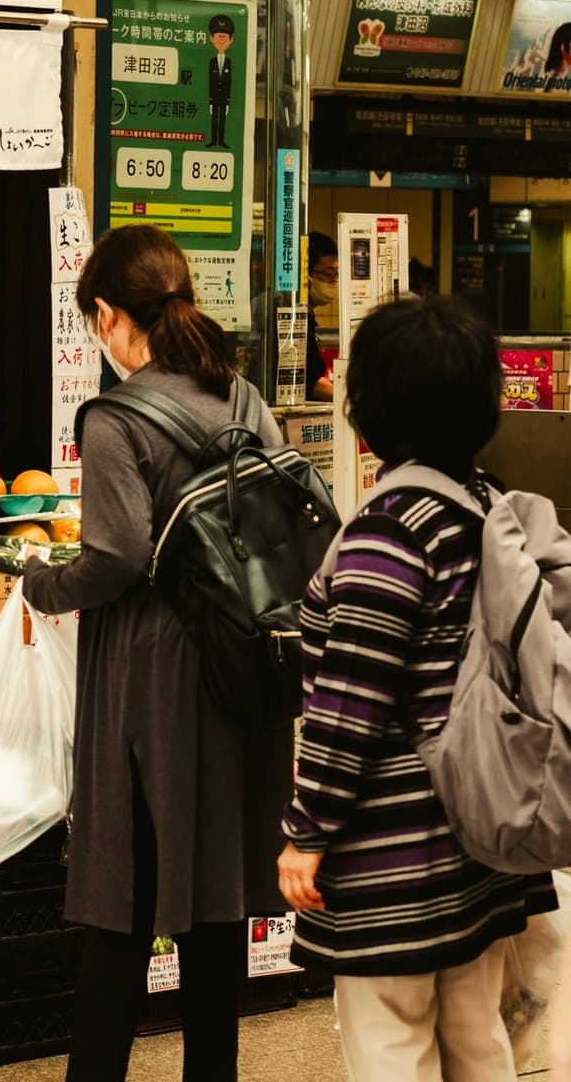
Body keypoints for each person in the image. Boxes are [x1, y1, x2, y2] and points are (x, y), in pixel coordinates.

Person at [23, 224, 293, 1082]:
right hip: (238, 668)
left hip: (146, 679)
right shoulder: (245, 398)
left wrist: (41, 584)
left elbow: (115, 555)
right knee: (213, 908)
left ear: (107, 315)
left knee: (119, 907)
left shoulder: (113, 419)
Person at [277, 297, 557, 1082]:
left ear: (373, 409)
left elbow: (349, 700)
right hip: (478, 837)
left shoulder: (390, 529)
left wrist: (308, 831)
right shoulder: (487, 507)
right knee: (477, 1041)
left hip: (394, 856)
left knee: (391, 1042)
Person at [304, 233, 338, 402]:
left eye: (337, 274)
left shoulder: (307, 313)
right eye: (328, 274)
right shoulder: (291, 313)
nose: (334, 281)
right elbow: (310, 382)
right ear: (306, 274)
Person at [206, 14, 235, 148]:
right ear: (212, 39)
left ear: (231, 40)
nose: (222, 39)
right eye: (219, 36)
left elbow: (229, 83)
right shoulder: (212, 61)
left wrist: (228, 102)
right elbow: (210, 82)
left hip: (224, 98)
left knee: (222, 120)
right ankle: (213, 141)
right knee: (213, 120)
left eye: (225, 36)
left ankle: (221, 141)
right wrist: (210, 101)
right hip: (215, 98)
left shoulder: (229, 62)